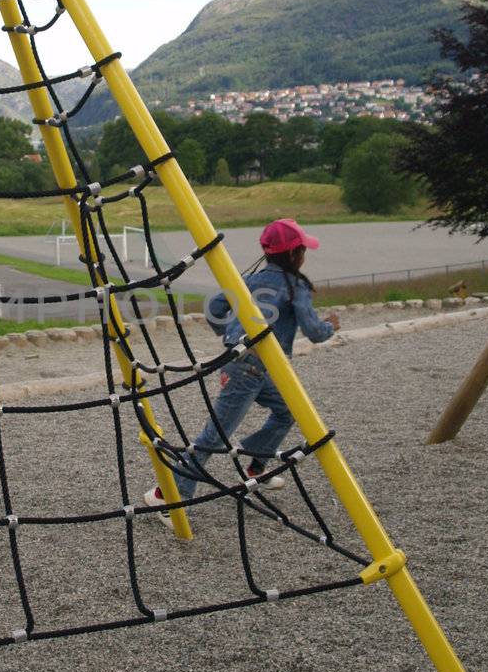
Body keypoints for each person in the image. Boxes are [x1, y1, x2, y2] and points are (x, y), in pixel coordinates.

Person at [143, 218, 340, 519]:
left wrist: (232, 335)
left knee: (288, 411)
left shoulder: (250, 279)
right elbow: (313, 331)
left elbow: (214, 309)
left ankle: (255, 465)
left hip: (253, 366)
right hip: (253, 370)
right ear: (292, 255)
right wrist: (330, 326)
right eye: (302, 250)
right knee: (214, 436)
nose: (304, 256)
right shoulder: (295, 285)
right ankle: (168, 494)